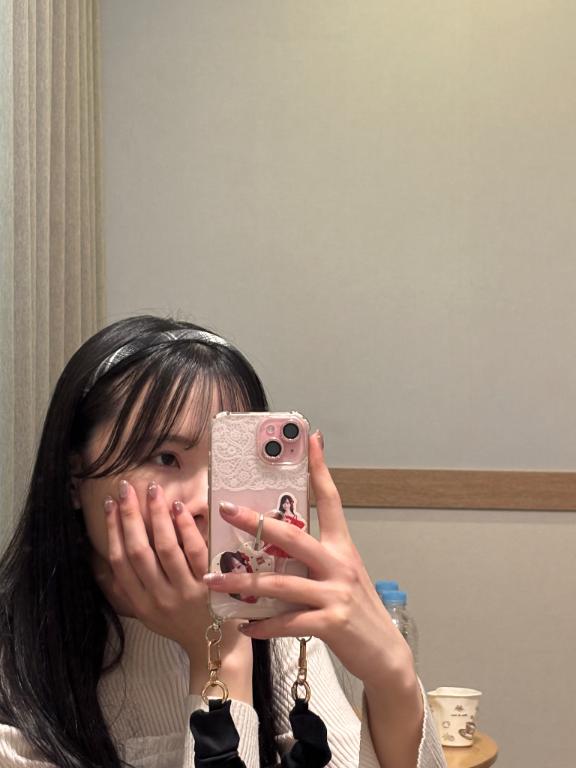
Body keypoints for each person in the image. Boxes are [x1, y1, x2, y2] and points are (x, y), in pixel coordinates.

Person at [0, 315, 446, 768]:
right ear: (74, 477)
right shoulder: (17, 664)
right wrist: (221, 654)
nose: (206, 501)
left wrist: (393, 678)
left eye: (229, 466)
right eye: (166, 457)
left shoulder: (266, 619)